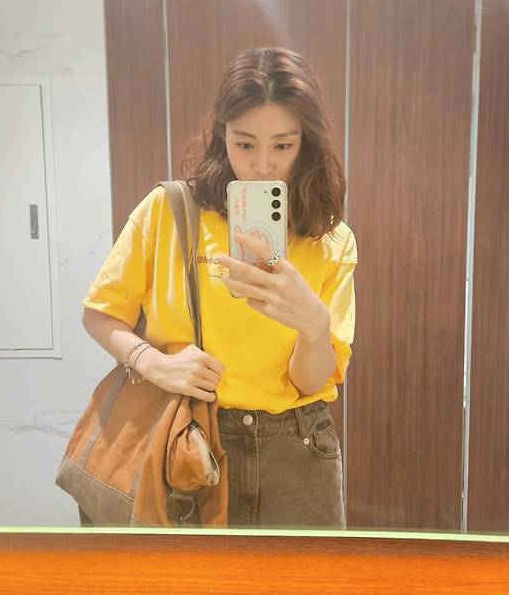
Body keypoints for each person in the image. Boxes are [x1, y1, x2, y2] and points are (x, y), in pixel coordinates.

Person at [81, 46, 357, 529]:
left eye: (283, 146)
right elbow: (100, 312)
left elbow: (310, 382)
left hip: (297, 451)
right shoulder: (169, 212)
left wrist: (314, 327)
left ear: (307, 144)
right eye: (245, 144)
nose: (263, 165)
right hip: (189, 438)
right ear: (222, 135)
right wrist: (156, 364)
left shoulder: (330, 240)